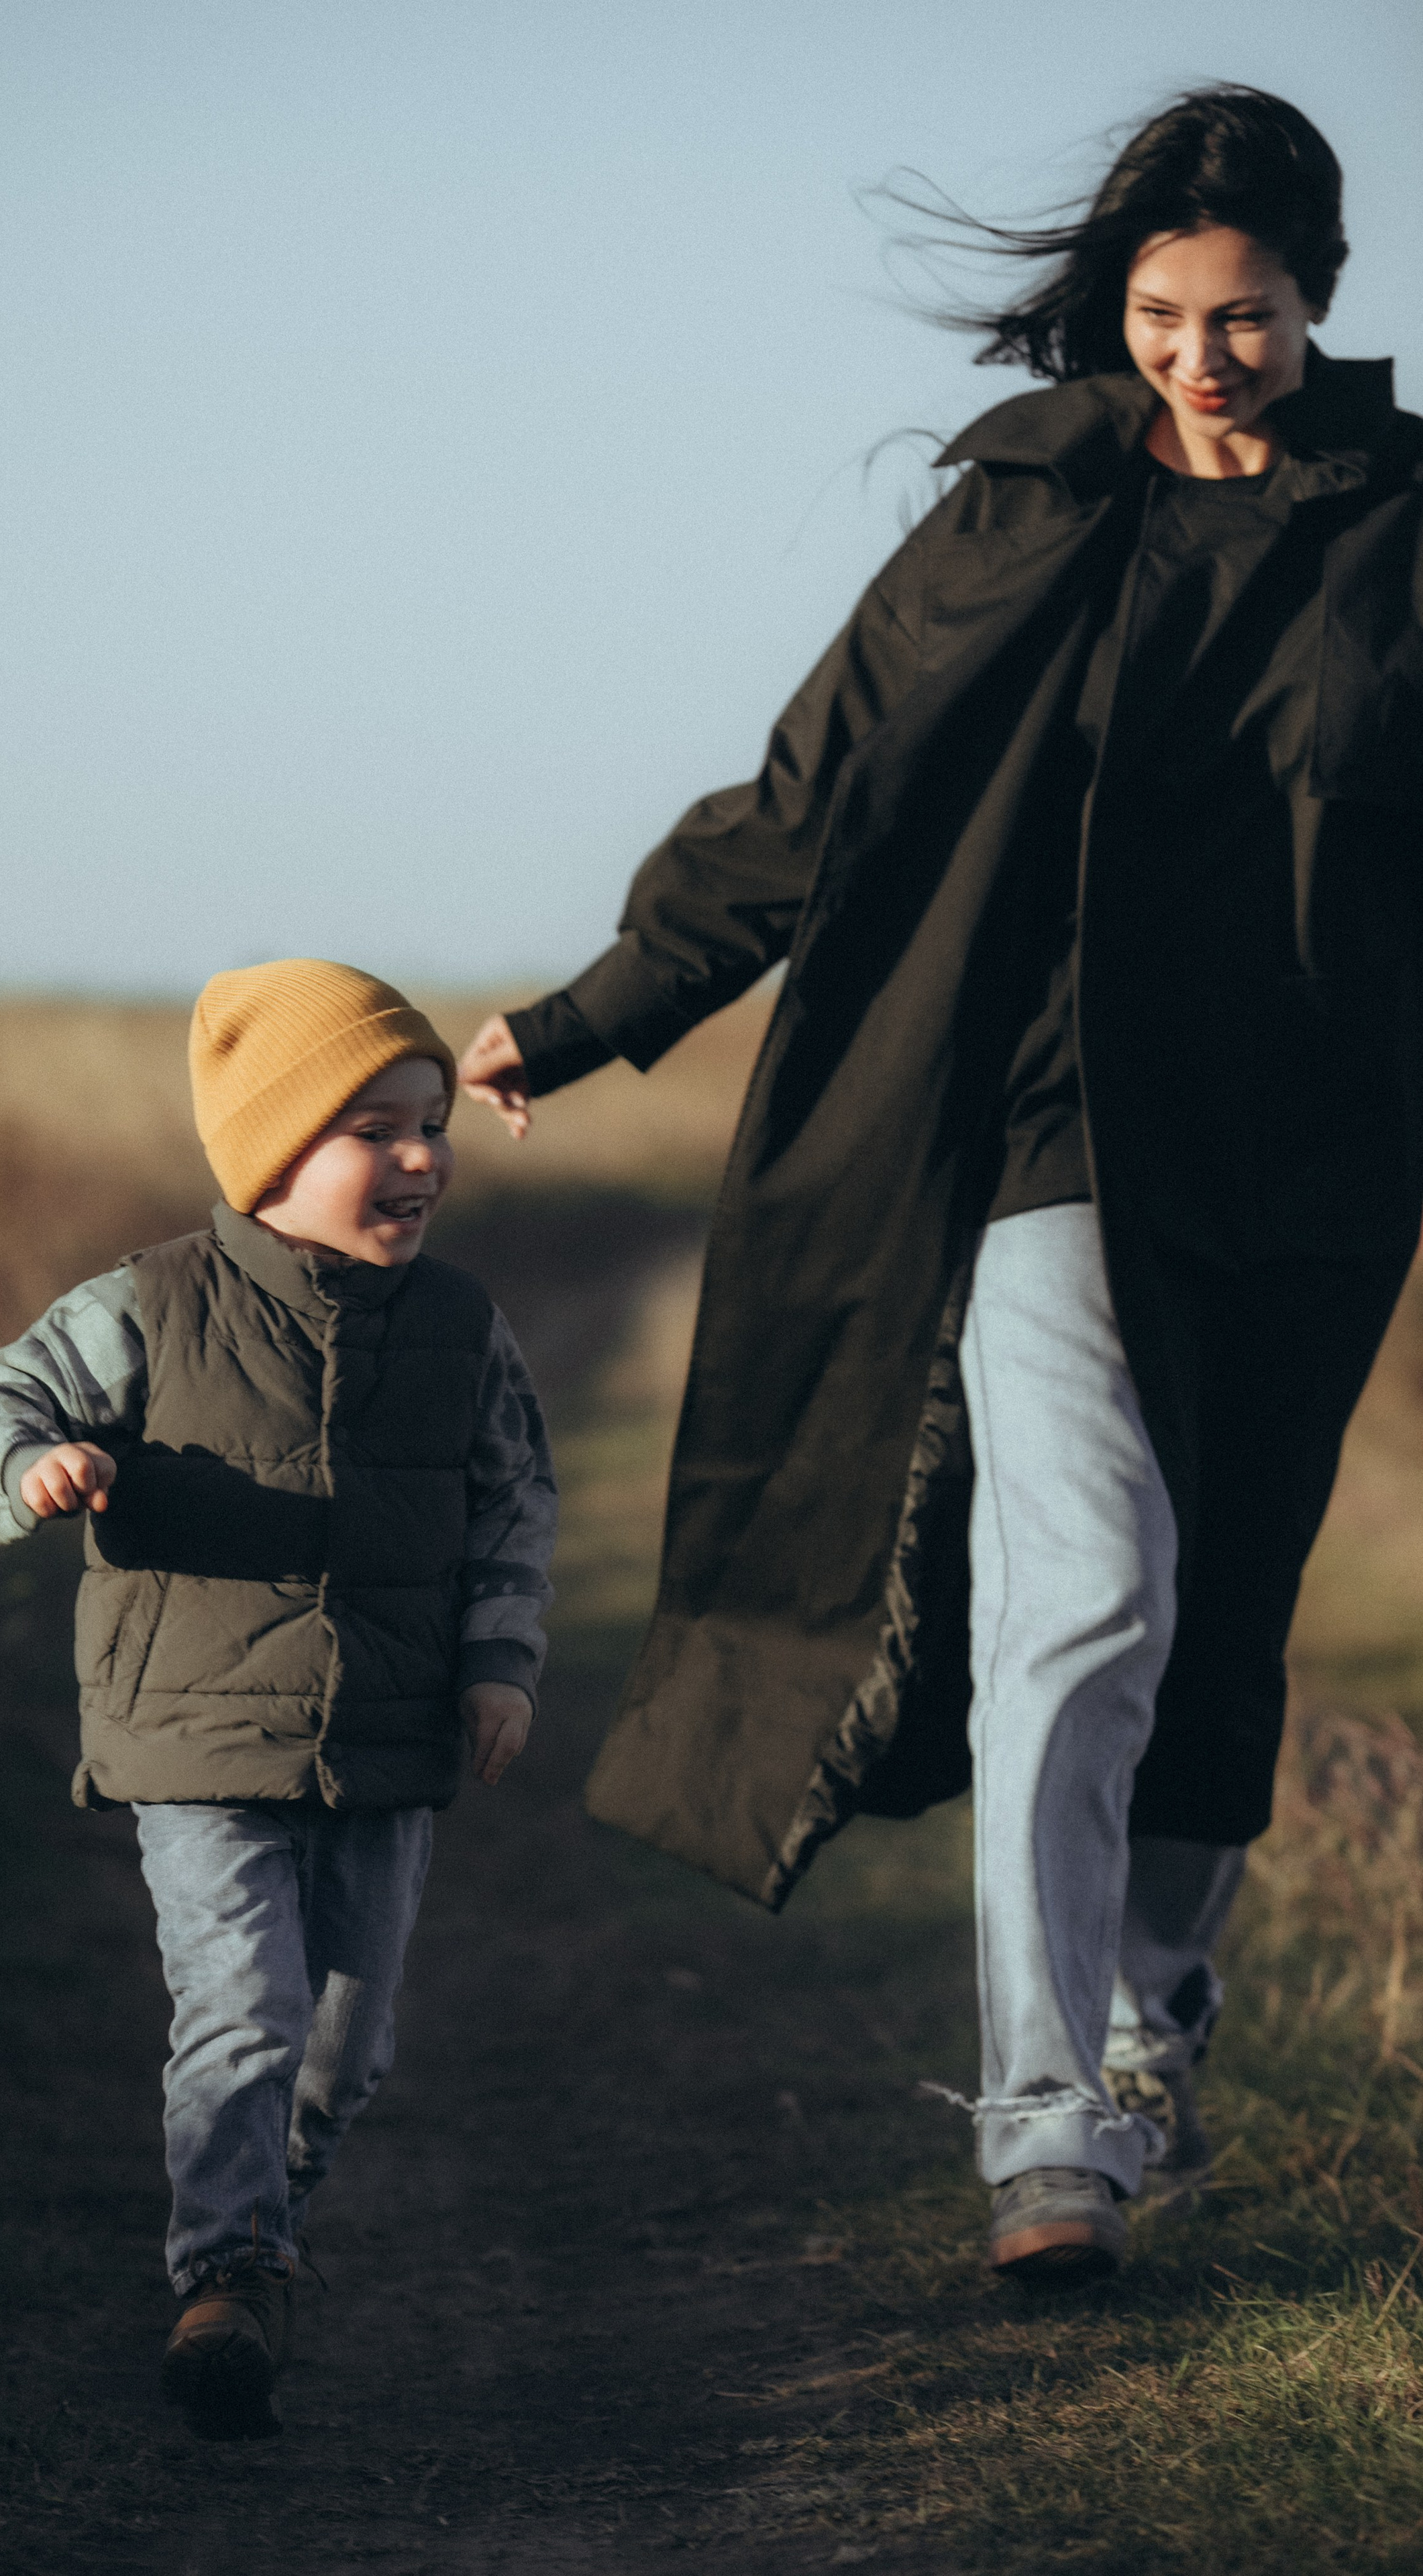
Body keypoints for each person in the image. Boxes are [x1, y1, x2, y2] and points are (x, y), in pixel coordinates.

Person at [459, 87, 1423, 2282]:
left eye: (1248, 316)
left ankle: (1153, 2026)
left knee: (1223, 1626)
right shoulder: (1011, 516)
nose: (1204, 357)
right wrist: (606, 1005)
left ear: (1322, 302)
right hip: (1050, 1126)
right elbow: (816, 793)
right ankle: (1044, 2133)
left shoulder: (1404, 529)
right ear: (1120, 308)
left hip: (1313, 1156)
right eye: (1167, 314)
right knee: (1089, 1593)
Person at [0, 960, 556, 2426]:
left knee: (345, 2047)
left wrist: (498, 1661)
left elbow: (513, 1503)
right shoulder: (148, 1306)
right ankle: (225, 2269)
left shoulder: (464, 1331)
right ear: (271, 1154)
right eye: (374, 1129)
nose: (420, 1157)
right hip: (200, 1740)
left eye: (430, 1124)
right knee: (243, 2002)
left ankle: (260, 2215)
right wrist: (33, 1469)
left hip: (388, 1736)